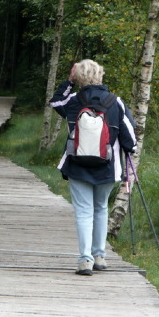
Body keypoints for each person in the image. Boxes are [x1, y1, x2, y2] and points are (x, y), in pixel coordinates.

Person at [49, 59, 137, 276]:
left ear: (78, 76)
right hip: (108, 166)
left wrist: (69, 81)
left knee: (83, 212)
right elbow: (131, 139)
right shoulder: (116, 102)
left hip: (77, 165)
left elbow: (55, 102)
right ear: (100, 75)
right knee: (101, 209)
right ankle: (100, 257)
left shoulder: (73, 101)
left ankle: (85, 261)